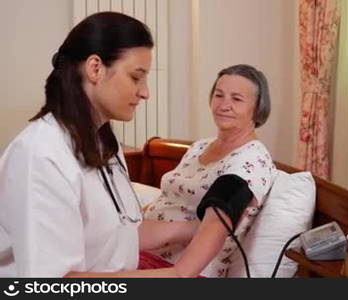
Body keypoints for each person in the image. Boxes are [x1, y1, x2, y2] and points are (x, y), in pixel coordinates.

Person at [0, 12, 188, 277]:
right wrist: (173, 276)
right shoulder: (41, 155)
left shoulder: (104, 145)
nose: (145, 92)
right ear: (95, 68)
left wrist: (191, 229)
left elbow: (121, 235)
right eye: (136, 77)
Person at [141, 64, 277, 277]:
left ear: (257, 108)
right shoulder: (199, 147)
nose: (224, 105)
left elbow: (214, 229)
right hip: (142, 250)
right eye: (219, 95)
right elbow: (171, 200)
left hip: (179, 269)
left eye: (237, 99)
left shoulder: (249, 162)